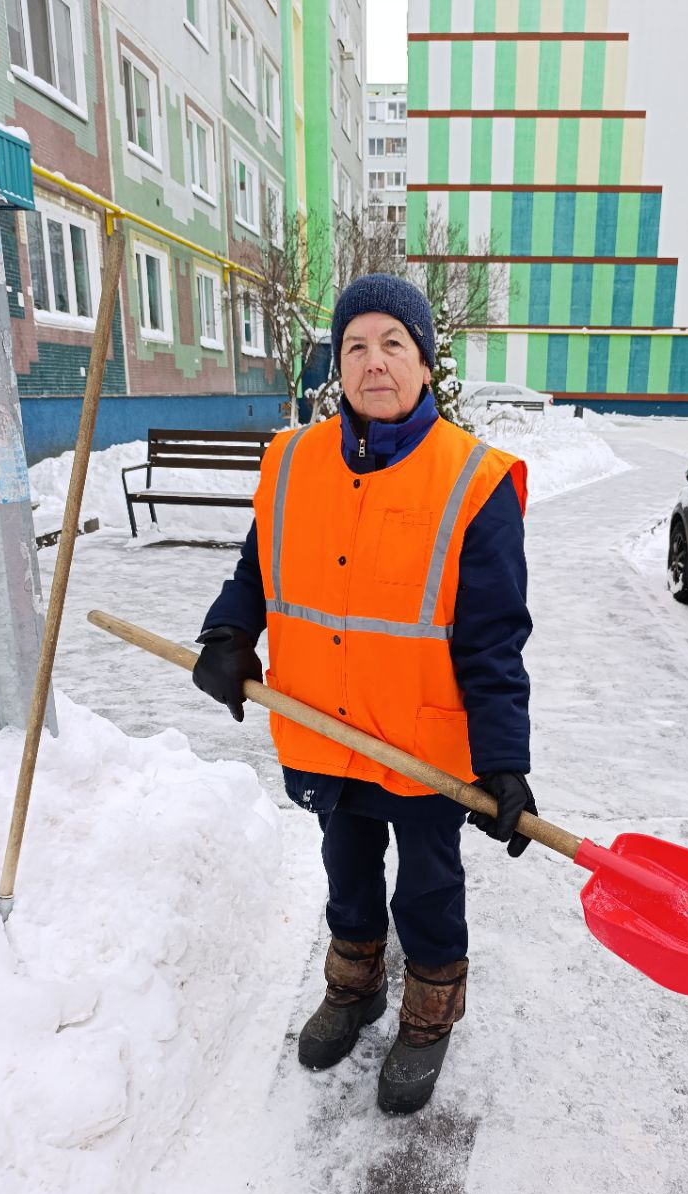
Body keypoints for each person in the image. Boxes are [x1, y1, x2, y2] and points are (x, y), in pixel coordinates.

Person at [192, 274, 536, 1114]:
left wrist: (503, 761)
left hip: (420, 743)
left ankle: (429, 1009)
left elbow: (493, 639)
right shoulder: (292, 461)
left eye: (393, 344)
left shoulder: (473, 480)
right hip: (321, 729)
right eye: (355, 345)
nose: (373, 361)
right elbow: (258, 570)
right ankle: (355, 987)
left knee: (426, 884)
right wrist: (230, 633)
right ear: (336, 364)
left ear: (423, 362)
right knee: (346, 869)